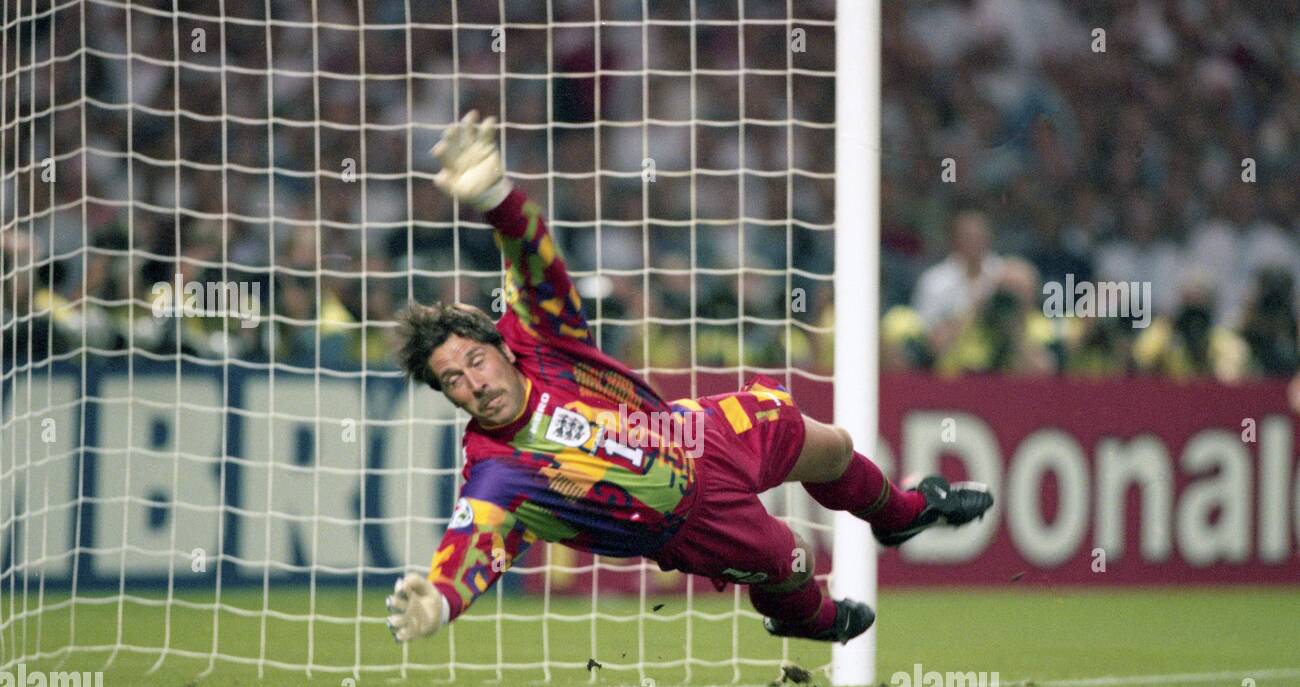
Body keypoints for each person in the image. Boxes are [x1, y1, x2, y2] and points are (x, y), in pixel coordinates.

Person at [384, 113, 994, 646]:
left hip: (695, 434)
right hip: (691, 524)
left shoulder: (541, 338)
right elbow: (471, 549)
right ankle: (805, 618)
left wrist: (494, 194)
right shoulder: (497, 471)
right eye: (453, 381)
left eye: (474, 360)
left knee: (824, 442)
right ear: (450, 398)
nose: (473, 381)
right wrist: (437, 604)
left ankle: (901, 513)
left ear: (499, 347)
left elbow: (532, 256)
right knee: (792, 561)